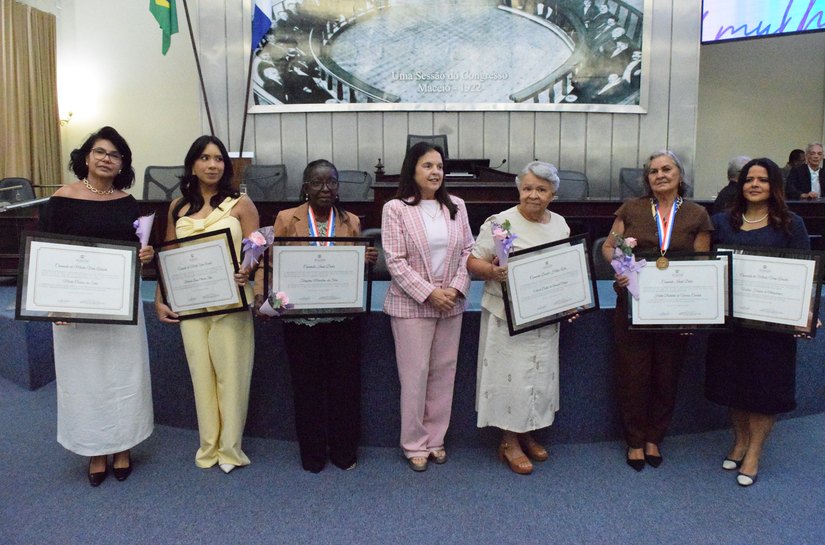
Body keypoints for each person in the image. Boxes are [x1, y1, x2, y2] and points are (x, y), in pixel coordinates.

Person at [39, 126, 154, 486]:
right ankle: (94, 448)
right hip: (75, 308)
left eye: (115, 155)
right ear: (86, 156)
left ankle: (123, 446)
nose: (107, 159)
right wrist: (52, 304)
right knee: (84, 377)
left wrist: (145, 255)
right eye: (100, 152)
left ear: (122, 164)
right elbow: (46, 252)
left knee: (124, 374)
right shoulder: (62, 198)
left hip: (121, 306)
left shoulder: (127, 202)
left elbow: (136, 251)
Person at [252, 159, 377, 473]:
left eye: (332, 182)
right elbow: (267, 263)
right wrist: (260, 295)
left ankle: (344, 450)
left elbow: (350, 267)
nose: (326, 189)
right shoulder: (285, 218)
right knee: (306, 388)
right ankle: (313, 454)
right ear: (305, 187)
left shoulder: (350, 221)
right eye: (318, 183)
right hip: (300, 319)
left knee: (344, 387)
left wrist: (365, 259)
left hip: (342, 318)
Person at [601, 150, 713, 471]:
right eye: (653, 171)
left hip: (675, 307)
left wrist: (695, 311)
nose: (660, 175)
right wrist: (620, 267)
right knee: (633, 374)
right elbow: (610, 246)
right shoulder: (632, 208)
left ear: (680, 174)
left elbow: (701, 263)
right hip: (634, 304)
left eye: (666, 169)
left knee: (667, 374)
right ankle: (635, 440)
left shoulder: (696, 215)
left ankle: (655, 437)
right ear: (647, 179)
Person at [705, 158, 813, 487]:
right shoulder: (722, 222)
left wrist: (807, 311)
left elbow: (804, 272)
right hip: (731, 323)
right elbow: (707, 269)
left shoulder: (791, 224)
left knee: (763, 391)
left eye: (762, 180)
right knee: (734, 387)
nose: (754, 184)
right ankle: (739, 440)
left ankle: (754, 451)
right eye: (749, 179)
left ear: (773, 186)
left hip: (771, 327)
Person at [155, 135, 259, 474]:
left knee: (231, 376)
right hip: (191, 304)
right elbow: (169, 254)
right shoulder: (177, 207)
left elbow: (256, 253)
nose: (212, 165)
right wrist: (160, 298)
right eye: (204, 158)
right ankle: (208, 447)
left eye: (218, 159)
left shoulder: (241, 204)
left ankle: (230, 450)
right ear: (193, 164)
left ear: (226, 166)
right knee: (201, 377)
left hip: (230, 303)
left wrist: (249, 270)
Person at [467, 161, 573, 475]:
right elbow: (473, 262)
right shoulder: (501, 222)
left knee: (538, 379)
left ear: (553, 193)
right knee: (511, 379)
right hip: (507, 316)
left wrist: (570, 301)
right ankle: (508, 440)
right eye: (527, 188)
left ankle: (527, 432)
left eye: (541, 189)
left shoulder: (560, 224)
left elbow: (565, 269)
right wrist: (493, 271)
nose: (533, 195)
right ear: (519, 190)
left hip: (544, 317)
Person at [381, 141, 474, 472]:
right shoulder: (396, 208)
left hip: (451, 304)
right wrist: (429, 292)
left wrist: (455, 288)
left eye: (439, 166)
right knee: (415, 376)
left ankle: (436, 440)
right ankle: (414, 443)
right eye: (427, 166)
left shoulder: (457, 206)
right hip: (412, 307)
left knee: (443, 375)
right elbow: (395, 260)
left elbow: (469, 251)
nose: (435, 172)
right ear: (413, 169)